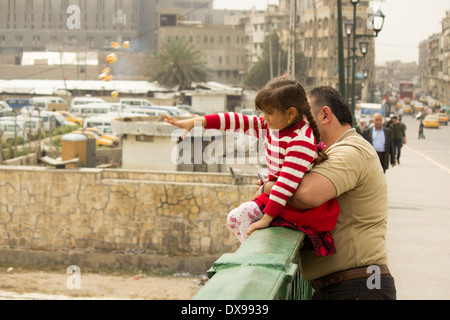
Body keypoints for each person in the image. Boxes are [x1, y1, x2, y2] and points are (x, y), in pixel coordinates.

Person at [164, 75, 340, 256]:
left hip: (293, 206)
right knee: (235, 218)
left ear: (291, 114)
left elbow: (286, 184)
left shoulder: (300, 140)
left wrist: (266, 218)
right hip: (279, 198)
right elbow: (235, 121)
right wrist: (195, 123)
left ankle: (255, 257)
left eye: (269, 113)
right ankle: (253, 254)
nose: (264, 118)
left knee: (238, 217)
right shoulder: (276, 126)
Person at [256, 86, 396, 300]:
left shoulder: (351, 151)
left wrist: (268, 186)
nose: (297, 125)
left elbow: (305, 195)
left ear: (324, 114)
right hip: (348, 286)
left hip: (359, 287)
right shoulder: (334, 152)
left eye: (303, 117)